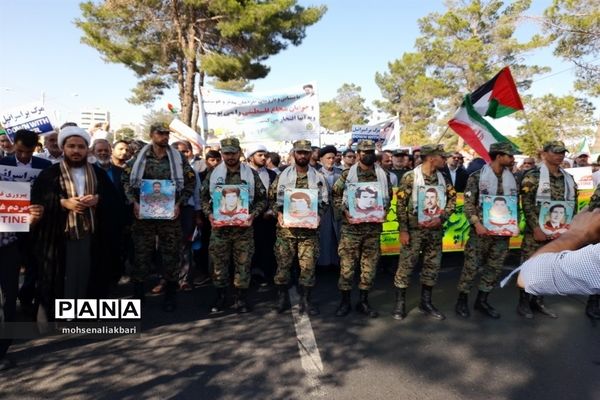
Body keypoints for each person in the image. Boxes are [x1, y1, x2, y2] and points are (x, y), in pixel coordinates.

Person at [31, 126, 121, 320]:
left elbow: (114, 201)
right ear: (64, 148)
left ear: (87, 150)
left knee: (88, 272)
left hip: (92, 234)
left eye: (81, 146)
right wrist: (63, 203)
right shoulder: (50, 174)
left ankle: (85, 311)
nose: (76, 150)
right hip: (60, 235)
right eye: (71, 146)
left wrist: (98, 200)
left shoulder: (98, 173)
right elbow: (38, 202)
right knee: (63, 274)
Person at [122, 122, 196, 312]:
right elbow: (126, 180)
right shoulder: (140, 157)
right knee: (141, 254)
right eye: (160, 133)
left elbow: (190, 181)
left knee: (171, 254)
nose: (164, 136)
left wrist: (180, 203)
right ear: (151, 134)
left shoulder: (177, 157)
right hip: (143, 216)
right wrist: (134, 202)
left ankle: (170, 293)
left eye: (166, 134)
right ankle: (138, 293)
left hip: (170, 215)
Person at [201, 137, 267, 314]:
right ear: (222, 153)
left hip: (243, 230)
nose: (229, 156)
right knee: (218, 265)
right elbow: (203, 198)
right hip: (220, 230)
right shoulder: (214, 174)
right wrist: (209, 215)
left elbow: (262, 199)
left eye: (233, 153)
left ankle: (241, 298)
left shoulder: (250, 174)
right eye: (226, 153)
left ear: (239, 153)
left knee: (243, 265)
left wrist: (254, 214)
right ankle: (221, 297)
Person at [393, 144, 457, 321]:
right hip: (414, 231)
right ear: (431, 158)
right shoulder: (410, 177)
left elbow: (452, 200)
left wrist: (442, 217)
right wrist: (403, 230)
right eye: (442, 156)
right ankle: (400, 303)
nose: (445, 159)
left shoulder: (443, 178)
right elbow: (400, 205)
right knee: (406, 266)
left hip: (435, 231)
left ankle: (425, 302)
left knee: (432, 266)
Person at [455, 142, 519, 319]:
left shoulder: (512, 178)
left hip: (502, 233)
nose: (513, 159)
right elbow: (468, 204)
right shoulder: (477, 177)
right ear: (499, 157)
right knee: (471, 267)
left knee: (494, 267)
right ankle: (462, 301)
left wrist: (515, 225)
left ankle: (482, 300)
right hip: (480, 232)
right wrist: (476, 224)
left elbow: (514, 205)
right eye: (510, 156)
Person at [517, 140, 577, 319]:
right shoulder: (533, 176)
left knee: (547, 268)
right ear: (545, 154)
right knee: (529, 265)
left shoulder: (568, 177)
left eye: (563, 152)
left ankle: (538, 301)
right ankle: (523, 303)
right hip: (536, 233)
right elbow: (526, 204)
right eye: (556, 152)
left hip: (558, 232)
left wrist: (567, 228)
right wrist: (536, 227)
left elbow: (571, 205)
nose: (560, 155)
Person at [332, 139, 392, 318]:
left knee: (369, 268)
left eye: (370, 152)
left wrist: (385, 212)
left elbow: (388, 198)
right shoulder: (347, 174)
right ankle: (345, 302)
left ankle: (363, 302)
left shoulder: (382, 175)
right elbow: (335, 194)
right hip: (351, 230)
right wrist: (344, 212)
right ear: (358, 154)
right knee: (347, 268)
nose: (367, 155)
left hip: (373, 230)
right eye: (364, 152)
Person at [269, 140, 329, 315]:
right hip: (285, 231)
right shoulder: (282, 176)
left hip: (309, 233)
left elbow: (325, 201)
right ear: (294, 153)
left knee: (308, 267)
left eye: (306, 152)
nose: (302, 155)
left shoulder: (318, 177)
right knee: (283, 266)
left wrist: (319, 214)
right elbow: (272, 198)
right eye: (299, 152)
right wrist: (278, 213)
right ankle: (281, 299)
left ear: (311, 154)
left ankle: (306, 301)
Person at [0, 130, 52, 309]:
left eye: (28, 152)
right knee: (10, 268)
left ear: (35, 148)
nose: (23, 155)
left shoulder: (45, 165)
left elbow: (50, 193)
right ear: (14, 144)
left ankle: (27, 297)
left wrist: (40, 208)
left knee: (33, 263)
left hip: (36, 223)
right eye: (20, 150)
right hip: (8, 226)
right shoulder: (2, 163)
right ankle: (8, 299)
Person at [0, 200, 43, 371]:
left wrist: (31, 218)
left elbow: (20, 220)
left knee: (7, 301)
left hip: (7, 249)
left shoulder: (8, 183)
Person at [516, 209, 600, 296]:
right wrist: (536, 226)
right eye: (555, 212)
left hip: (550, 250)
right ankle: (525, 302)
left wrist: (576, 233)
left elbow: (529, 276)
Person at [173, 140, 203, 291]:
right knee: (165, 245)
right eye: (178, 152)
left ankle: (184, 279)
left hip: (187, 211)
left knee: (185, 244)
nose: (182, 155)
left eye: (185, 152)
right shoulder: (163, 170)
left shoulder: (192, 172)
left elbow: (197, 195)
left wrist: (198, 216)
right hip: (164, 212)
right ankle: (165, 279)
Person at [246, 144, 278, 287]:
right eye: (260, 155)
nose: (264, 158)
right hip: (248, 219)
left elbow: (278, 196)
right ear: (251, 157)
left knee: (268, 247)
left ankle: (267, 274)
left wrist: (272, 211)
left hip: (268, 218)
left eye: (265, 155)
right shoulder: (243, 174)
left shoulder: (272, 175)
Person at [317, 145, 342, 267]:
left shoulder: (342, 174)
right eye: (328, 158)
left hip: (339, 210)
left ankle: (337, 262)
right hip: (323, 211)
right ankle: (324, 263)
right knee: (324, 235)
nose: (331, 160)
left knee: (338, 234)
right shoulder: (315, 174)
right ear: (321, 159)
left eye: (333, 158)